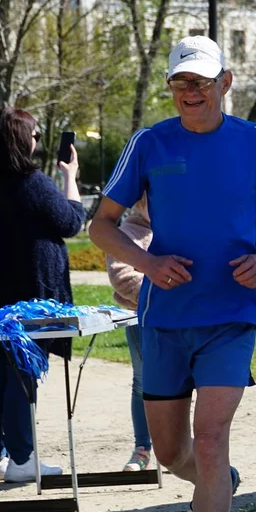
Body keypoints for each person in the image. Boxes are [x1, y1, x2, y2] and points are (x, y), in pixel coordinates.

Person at [88, 36, 256, 512]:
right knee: (170, 452)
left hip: (232, 315)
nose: (191, 92)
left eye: (202, 82)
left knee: (209, 437)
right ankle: (219, 481)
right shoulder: (148, 144)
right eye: (181, 83)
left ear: (225, 83)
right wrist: (147, 262)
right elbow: (101, 224)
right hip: (164, 317)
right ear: (171, 87)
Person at [0, 107, 86, 484]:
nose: (37, 142)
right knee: (22, 372)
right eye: (34, 135)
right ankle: (22, 458)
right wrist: (70, 177)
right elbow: (71, 222)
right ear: (19, 139)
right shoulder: (31, 181)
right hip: (31, 296)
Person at [105, 196, 155, 471]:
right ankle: (142, 448)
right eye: (152, 200)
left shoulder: (178, 226)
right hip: (140, 318)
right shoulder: (128, 233)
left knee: (183, 380)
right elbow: (121, 277)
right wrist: (161, 291)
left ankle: (180, 445)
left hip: (178, 318)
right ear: (138, 204)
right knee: (143, 381)